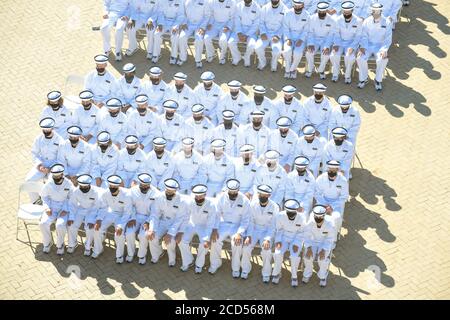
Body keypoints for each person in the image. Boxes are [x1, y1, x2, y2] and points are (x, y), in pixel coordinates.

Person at [209, 179, 251, 276]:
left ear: (238, 190)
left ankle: (235, 268)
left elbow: (246, 220)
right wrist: (215, 229)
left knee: (237, 243)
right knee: (215, 240)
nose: (232, 194)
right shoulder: (221, 197)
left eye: (235, 192)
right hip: (223, 224)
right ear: (227, 190)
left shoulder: (244, 200)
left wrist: (239, 233)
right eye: (230, 192)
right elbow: (216, 215)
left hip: (237, 226)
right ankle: (215, 263)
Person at [93, 175, 134, 263]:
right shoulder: (106, 193)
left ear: (119, 186)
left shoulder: (127, 195)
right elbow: (103, 207)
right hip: (110, 213)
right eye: (111, 186)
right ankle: (98, 249)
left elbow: (127, 212)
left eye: (115, 187)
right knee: (97, 229)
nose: (112, 188)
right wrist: (99, 219)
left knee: (119, 234)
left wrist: (121, 226)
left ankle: (119, 255)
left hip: (122, 216)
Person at [241, 184, 279, 281]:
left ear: (269, 196)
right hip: (254, 229)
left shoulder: (275, 207)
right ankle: (245, 269)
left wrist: (267, 239)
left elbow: (273, 226)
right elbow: (250, 222)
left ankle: (266, 272)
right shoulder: (252, 204)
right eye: (261, 194)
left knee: (267, 250)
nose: (262, 196)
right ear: (258, 194)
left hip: (267, 231)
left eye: (265, 195)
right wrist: (249, 235)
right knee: (246, 247)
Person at [147, 178, 188, 266]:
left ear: (176, 190)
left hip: (174, 224)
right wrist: (152, 229)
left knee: (170, 241)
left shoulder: (182, 200)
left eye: (171, 191)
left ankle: (172, 259)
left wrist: (170, 233)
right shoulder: (159, 197)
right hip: (163, 221)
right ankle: (157, 254)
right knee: (152, 237)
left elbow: (179, 219)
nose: (168, 193)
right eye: (167, 190)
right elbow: (155, 214)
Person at [178, 184, 217, 273]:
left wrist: (207, 238)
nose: (198, 198)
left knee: (204, 244)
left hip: (204, 226)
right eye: (197, 196)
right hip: (191, 224)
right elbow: (186, 217)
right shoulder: (190, 202)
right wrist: (181, 231)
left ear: (205, 195)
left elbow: (210, 223)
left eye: (201, 196)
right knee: (181, 241)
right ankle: (188, 261)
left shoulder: (211, 205)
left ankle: (199, 264)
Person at [356, 3, 393, 91]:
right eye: (373, 12)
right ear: (371, 12)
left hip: (380, 46)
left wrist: (384, 50)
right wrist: (362, 47)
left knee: (383, 59)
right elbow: (364, 35)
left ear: (380, 12)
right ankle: (364, 79)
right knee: (360, 58)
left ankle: (377, 80)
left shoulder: (387, 22)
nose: (375, 14)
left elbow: (388, 38)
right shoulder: (367, 21)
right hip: (368, 45)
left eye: (377, 13)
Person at [272, 199, 308, 287]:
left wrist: (297, 243)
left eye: (293, 212)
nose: (291, 214)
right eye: (289, 212)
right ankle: (277, 273)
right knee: (278, 253)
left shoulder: (302, 217)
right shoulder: (280, 215)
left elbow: (302, 232)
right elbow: (279, 230)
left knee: (294, 256)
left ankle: (294, 276)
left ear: (296, 211)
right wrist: (278, 241)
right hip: (283, 237)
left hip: (295, 239)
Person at [25, 118, 63, 203]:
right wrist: (39, 165)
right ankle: (36, 201)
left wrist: (51, 168)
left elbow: (61, 158)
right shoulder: (38, 139)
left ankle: (50, 204)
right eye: (44, 130)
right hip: (42, 166)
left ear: (52, 128)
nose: (46, 132)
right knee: (28, 180)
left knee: (51, 185)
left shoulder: (60, 140)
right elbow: (34, 153)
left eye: (48, 130)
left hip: (54, 168)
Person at [39, 164, 73, 255]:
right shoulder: (48, 183)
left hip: (64, 207)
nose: (56, 177)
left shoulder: (69, 183)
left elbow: (72, 198)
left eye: (58, 176)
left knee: (60, 225)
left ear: (62, 175)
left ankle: (60, 245)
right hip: (52, 206)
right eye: (55, 176)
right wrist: (47, 208)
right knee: (43, 223)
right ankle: (47, 243)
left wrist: (66, 209)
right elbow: (44, 197)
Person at [302, 204, 336, 287]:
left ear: (324, 216)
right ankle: (307, 274)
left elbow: (330, 239)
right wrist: (309, 248)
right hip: (312, 242)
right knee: (307, 257)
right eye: (316, 217)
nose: (318, 219)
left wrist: (323, 250)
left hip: (324, 243)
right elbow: (306, 236)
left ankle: (322, 276)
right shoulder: (310, 222)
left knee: (322, 259)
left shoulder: (330, 224)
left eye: (320, 218)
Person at [67, 174, 101, 256]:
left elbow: (96, 207)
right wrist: (71, 217)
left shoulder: (95, 192)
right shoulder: (76, 191)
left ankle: (88, 246)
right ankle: (72, 244)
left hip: (91, 211)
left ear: (89, 185)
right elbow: (72, 204)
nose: (83, 188)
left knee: (89, 228)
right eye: (81, 186)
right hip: (80, 209)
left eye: (85, 187)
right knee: (71, 225)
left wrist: (92, 220)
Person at [130, 173, 161, 264]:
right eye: (142, 185)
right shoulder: (132, 190)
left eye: (146, 185)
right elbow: (130, 206)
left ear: (149, 184)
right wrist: (132, 217)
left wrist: (148, 222)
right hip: (135, 217)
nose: (144, 187)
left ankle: (142, 255)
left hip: (148, 218)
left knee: (143, 235)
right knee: (129, 233)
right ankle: (130, 253)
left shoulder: (156, 193)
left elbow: (155, 212)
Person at [330, 1, 363, 84]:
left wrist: (352, 47)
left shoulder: (358, 21)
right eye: (344, 12)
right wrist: (336, 44)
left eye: (348, 12)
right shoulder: (338, 19)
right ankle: (335, 73)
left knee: (350, 57)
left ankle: (347, 75)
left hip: (351, 43)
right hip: (340, 42)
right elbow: (336, 33)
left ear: (352, 11)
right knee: (333, 55)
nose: (346, 13)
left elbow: (358, 36)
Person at [315, 160, 349, 233]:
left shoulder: (343, 180)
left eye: (334, 171)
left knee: (336, 218)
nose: (331, 172)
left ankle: (333, 237)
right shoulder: (321, 178)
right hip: (322, 201)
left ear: (337, 170)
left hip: (336, 204)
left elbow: (344, 197)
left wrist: (332, 207)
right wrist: (324, 204)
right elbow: (316, 193)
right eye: (330, 170)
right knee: (315, 216)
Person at [305, 1, 337, 79]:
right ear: (317, 10)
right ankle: (310, 69)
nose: (321, 12)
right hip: (314, 40)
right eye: (320, 11)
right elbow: (310, 32)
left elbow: (331, 35)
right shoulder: (312, 18)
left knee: (326, 55)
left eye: (323, 11)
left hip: (325, 41)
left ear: (326, 10)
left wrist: (327, 46)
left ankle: (321, 70)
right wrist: (310, 43)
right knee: (309, 53)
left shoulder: (332, 20)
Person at [255, 0, 287, 71]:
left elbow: (284, 25)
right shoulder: (265, 8)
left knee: (277, 51)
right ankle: (262, 62)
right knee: (257, 47)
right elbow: (261, 22)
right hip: (266, 33)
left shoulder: (285, 9)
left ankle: (274, 62)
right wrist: (263, 33)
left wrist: (278, 36)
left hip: (277, 35)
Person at [178, 0, 212, 67]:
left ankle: (198, 60)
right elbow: (184, 14)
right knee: (182, 37)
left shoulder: (205, 2)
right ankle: (182, 57)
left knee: (199, 40)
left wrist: (202, 27)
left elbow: (207, 16)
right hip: (189, 24)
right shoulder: (187, 1)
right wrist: (184, 23)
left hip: (199, 25)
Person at [282, 0, 310, 79]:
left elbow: (306, 30)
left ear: (303, 5)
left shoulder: (307, 15)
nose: (297, 7)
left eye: (299, 6)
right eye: (296, 6)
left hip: (300, 37)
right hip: (289, 36)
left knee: (297, 53)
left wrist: (301, 39)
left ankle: (293, 70)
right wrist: (288, 39)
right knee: (287, 51)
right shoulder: (288, 13)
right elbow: (285, 27)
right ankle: (287, 70)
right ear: (293, 5)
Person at [228, 0, 261, 67]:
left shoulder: (257, 7)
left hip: (251, 32)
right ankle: (237, 56)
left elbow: (256, 24)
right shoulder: (238, 5)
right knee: (230, 42)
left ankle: (246, 56)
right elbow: (236, 20)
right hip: (239, 29)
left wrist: (247, 35)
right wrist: (239, 33)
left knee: (251, 45)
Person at [152, 0, 185, 64]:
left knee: (175, 36)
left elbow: (181, 15)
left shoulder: (180, 1)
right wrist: (160, 23)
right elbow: (160, 13)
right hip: (164, 21)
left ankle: (174, 56)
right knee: (156, 34)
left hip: (174, 22)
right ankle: (156, 54)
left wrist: (176, 26)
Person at [204, 0, 237, 65]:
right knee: (206, 38)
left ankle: (222, 56)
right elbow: (211, 14)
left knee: (223, 40)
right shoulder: (212, 2)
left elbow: (232, 17)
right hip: (215, 24)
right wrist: (210, 23)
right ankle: (211, 54)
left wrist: (228, 26)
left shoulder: (232, 2)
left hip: (226, 24)